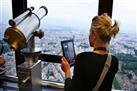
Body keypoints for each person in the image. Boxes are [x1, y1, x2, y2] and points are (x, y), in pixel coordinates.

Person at [61, 13, 119, 91]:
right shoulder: (114, 61)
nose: (89, 35)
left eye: (90, 32)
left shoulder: (83, 58)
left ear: (94, 35)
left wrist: (67, 71)